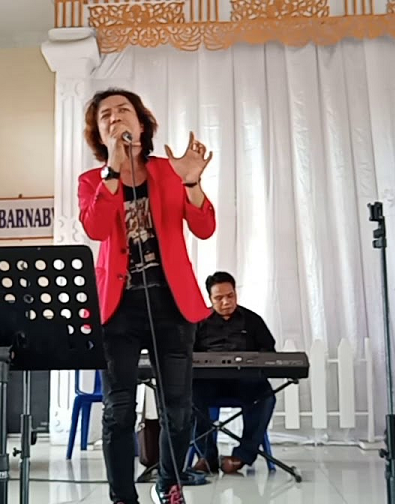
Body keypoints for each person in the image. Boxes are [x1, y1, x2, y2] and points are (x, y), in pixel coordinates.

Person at [78, 88, 216, 504]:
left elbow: (204, 227)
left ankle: (169, 484)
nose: (115, 117)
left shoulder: (169, 170)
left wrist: (191, 181)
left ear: (142, 124)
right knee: (118, 410)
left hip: (171, 304)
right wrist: (113, 170)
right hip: (117, 307)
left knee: (178, 408)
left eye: (124, 110)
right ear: (98, 132)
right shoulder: (92, 181)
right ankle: (123, 497)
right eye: (105, 115)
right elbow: (96, 228)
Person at [190, 272, 276, 475]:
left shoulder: (252, 321)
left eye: (230, 296)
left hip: (244, 382)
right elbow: (187, 354)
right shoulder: (198, 322)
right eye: (219, 298)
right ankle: (207, 456)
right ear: (210, 299)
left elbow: (268, 352)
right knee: (188, 396)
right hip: (208, 383)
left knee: (265, 396)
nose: (226, 302)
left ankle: (242, 456)